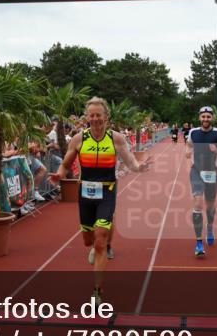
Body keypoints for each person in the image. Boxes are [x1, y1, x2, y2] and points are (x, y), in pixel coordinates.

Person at [51, 97, 151, 304]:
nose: (95, 119)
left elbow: (130, 161)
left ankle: (97, 290)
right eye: (91, 115)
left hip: (107, 191)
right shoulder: (79, 139)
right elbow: (66, 163)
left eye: (99, 115)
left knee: (99, 241)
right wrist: (59, 175)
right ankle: (103, 234)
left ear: (106, 117)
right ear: (87, 117)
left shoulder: (117, 139)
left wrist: (139, 167)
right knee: (89, 240)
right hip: (85, 194)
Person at [185, 106, 217, 257]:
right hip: (196, 171)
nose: (206, 119)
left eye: (208, 117)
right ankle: (199, 243)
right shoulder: (193, 132)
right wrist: (188, 150)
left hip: (212, 172)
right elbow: (189, 144)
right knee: (198, 202)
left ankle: (210, 227)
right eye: (203, 117)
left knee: (210, 206)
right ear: (199, 118)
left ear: (212, 118)